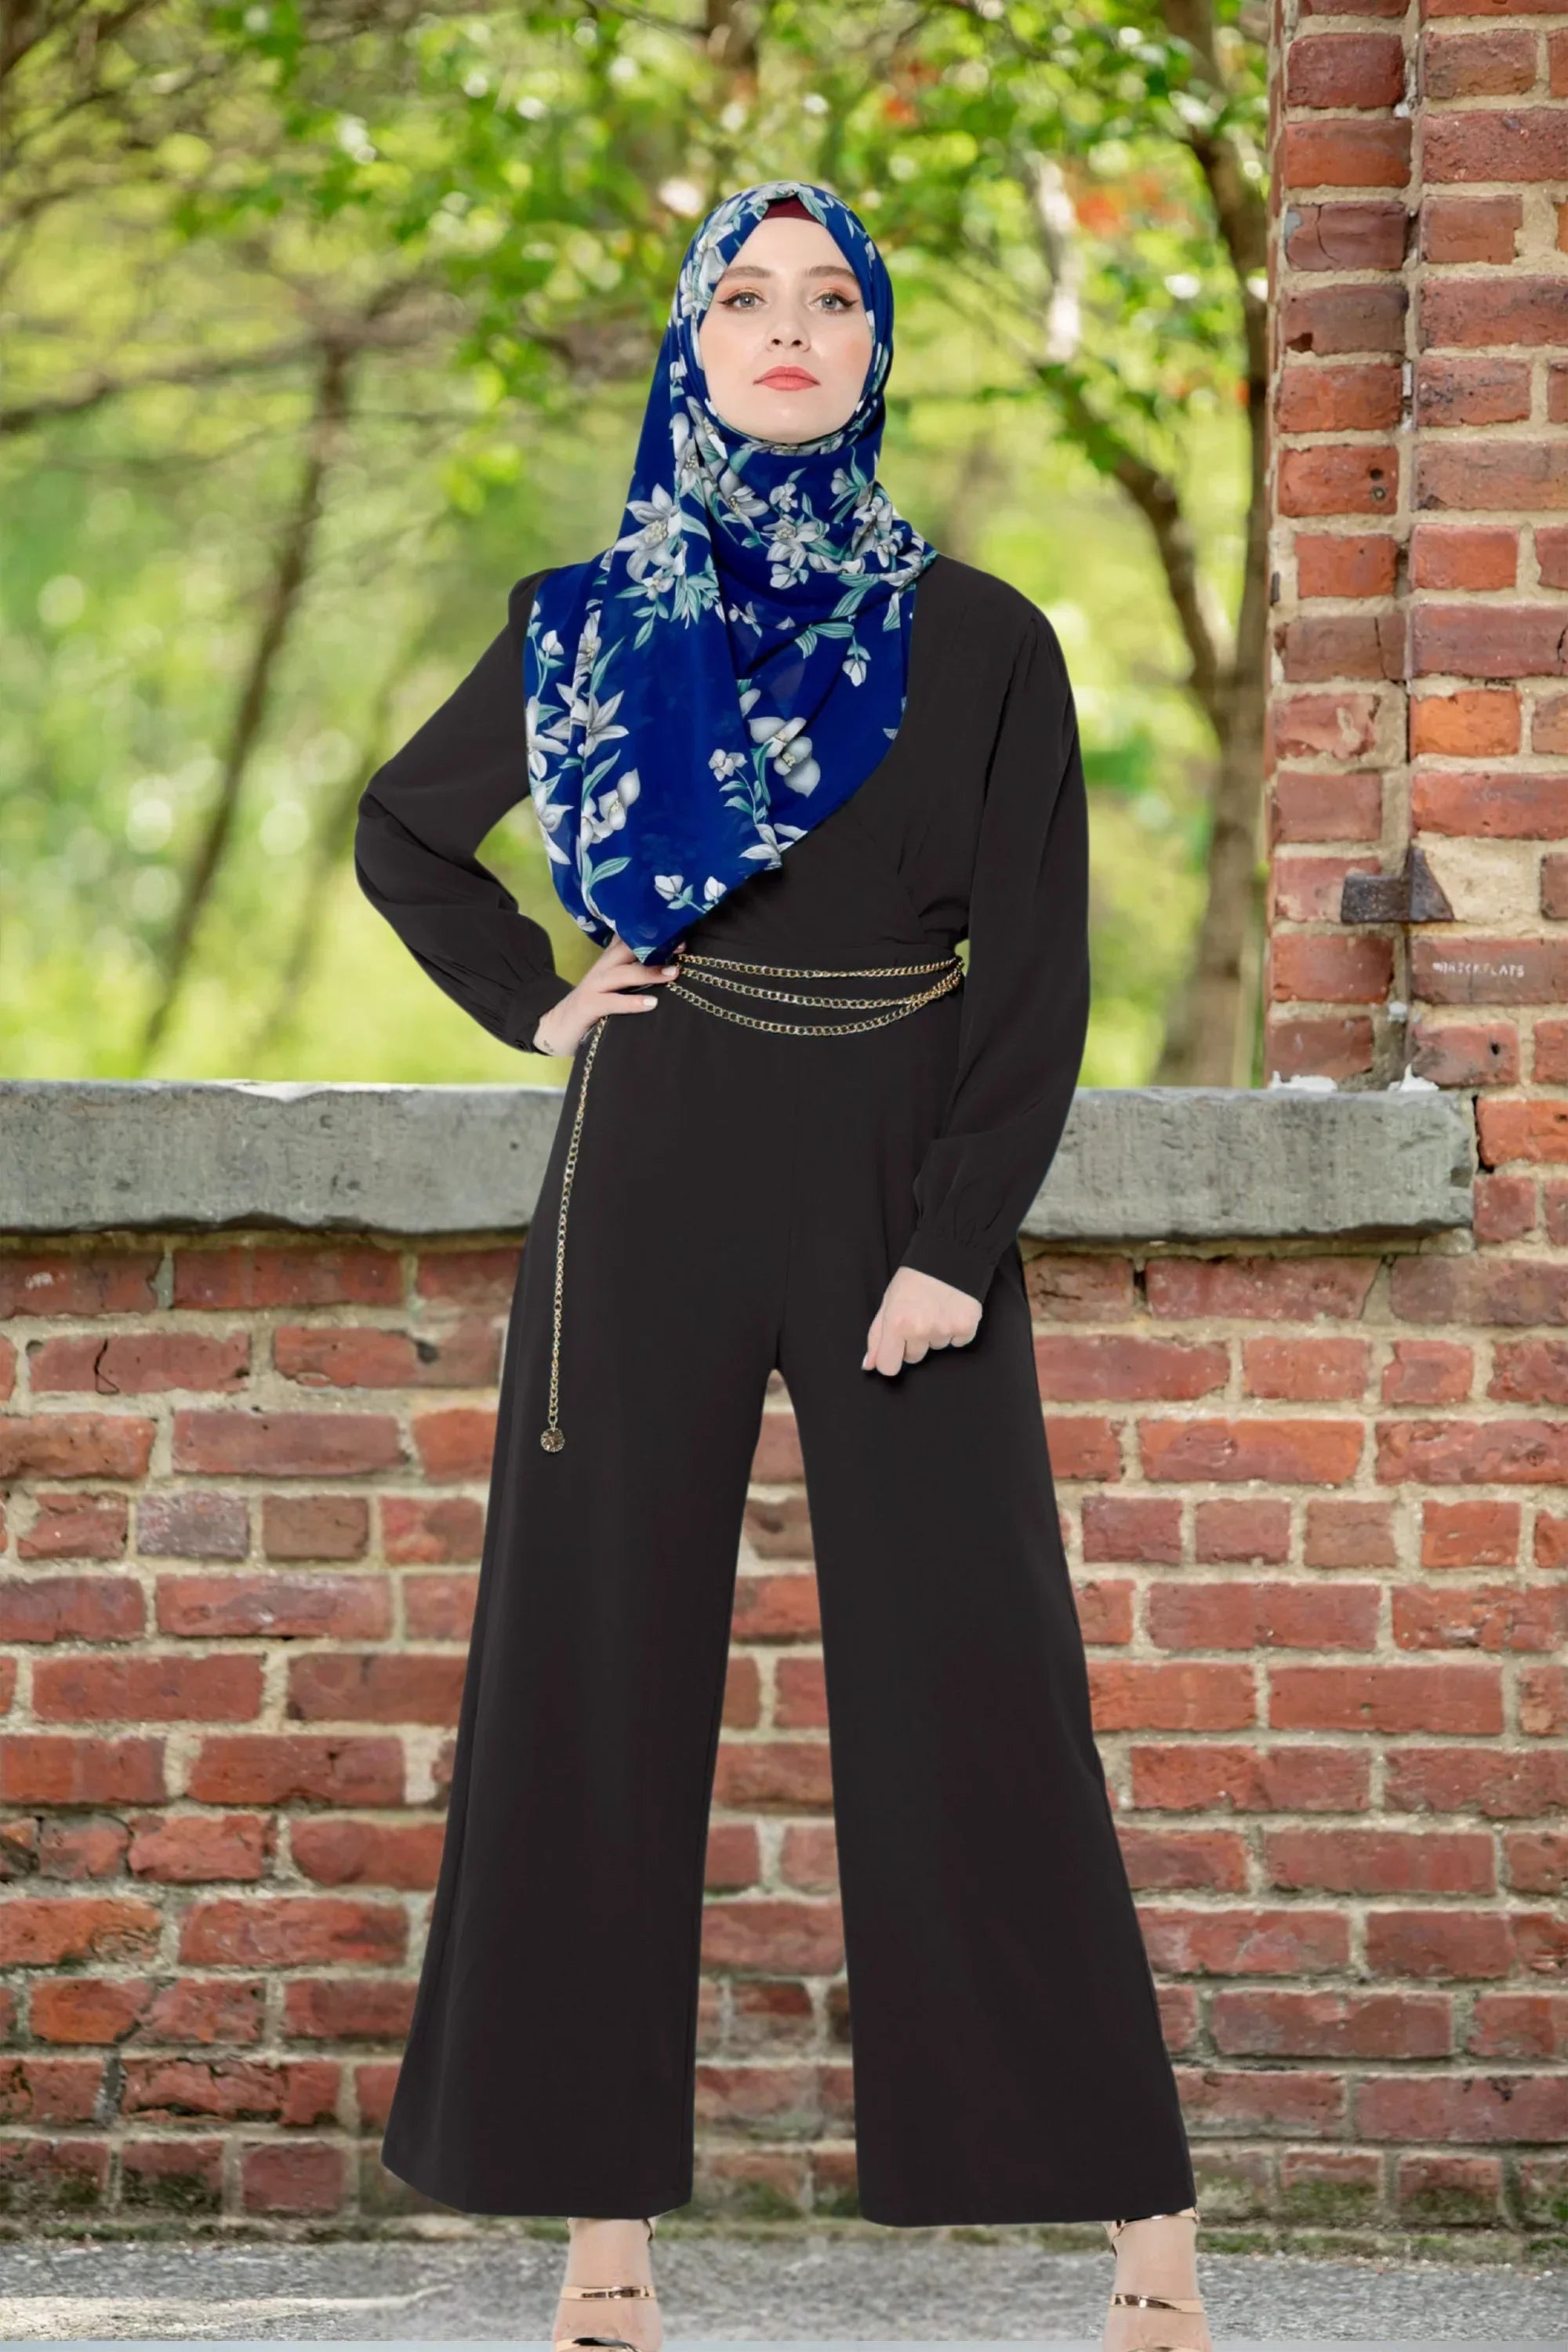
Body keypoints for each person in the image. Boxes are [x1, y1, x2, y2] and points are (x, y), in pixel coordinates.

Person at [354, 179, 1209, 2352]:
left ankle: (1145, 2235)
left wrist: (955, 1245)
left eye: (834, 297)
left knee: (980, 1678)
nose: (791, 326)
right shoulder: (582, 621)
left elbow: (1039, 976)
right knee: (593, 1677)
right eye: (747, 297)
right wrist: (537, 997)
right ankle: (599, 2243)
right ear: (695, 344)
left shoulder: (982, 637)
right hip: (653, 1154)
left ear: (877, 348)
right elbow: (405, 831)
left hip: (903, 1171)